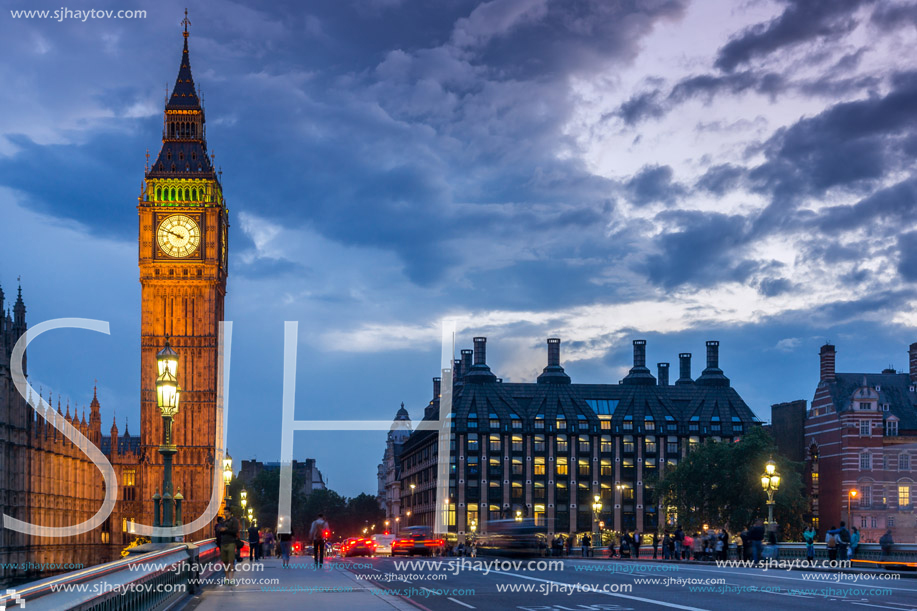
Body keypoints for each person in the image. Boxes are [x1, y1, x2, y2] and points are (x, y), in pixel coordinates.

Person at [217, 508, 241, 585]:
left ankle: (232, 578)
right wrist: (220, 530)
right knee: (225, 562)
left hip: (231, 542)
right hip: (223, 542)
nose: (225, 513)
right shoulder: (224, 522)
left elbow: (235, 531)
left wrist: (226, 530)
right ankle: (227, 578)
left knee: (231, 561)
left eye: (226, 512)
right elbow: (219, 531)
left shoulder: (234, 521)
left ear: (230, 512)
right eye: (224, 512)